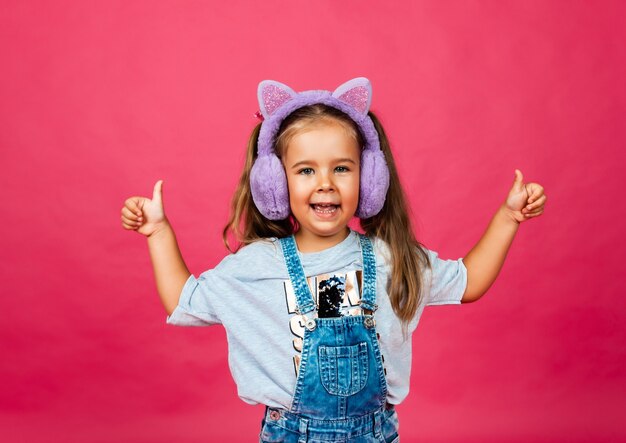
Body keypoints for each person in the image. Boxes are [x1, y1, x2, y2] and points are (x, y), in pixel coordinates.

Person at [120, 77, 546, 442]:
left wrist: (508, 217)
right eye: (306, 170)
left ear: (369, 177)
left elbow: (468, 282)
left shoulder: (389, 257)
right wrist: (158, 232)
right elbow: (183, 299)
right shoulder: (255, 266)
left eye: (342, 168)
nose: (325, 183)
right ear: (274, 182)